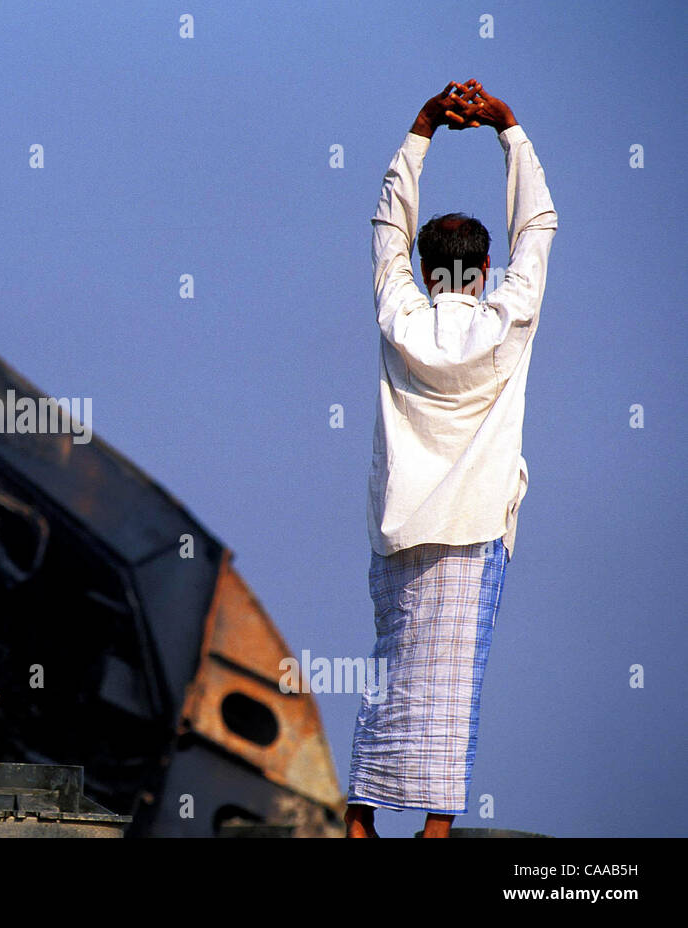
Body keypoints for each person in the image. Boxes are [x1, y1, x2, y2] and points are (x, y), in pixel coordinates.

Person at [345, 80, 558, 838]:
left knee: (393, 667)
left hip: (399, 529)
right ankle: (436, 828)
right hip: (471, 528)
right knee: (452, 680)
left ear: (427, 270)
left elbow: (384, 224)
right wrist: (509, 127)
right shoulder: (508, 320)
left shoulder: (400, 314)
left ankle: (360, 816)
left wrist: (423, 125)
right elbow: (540, 224)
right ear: (486, 265)